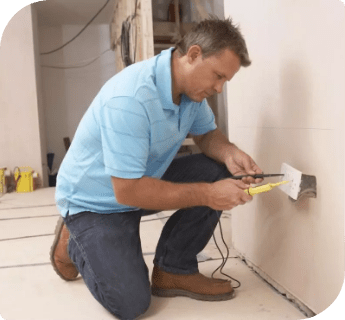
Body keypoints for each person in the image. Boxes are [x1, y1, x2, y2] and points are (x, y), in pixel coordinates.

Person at [51, 16, 263, 320]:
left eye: (225, 81)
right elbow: (128, 191)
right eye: (217, 76)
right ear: (193, 55)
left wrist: (230, 153)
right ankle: (73, 238)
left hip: (140, 182)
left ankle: (174, 270)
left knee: (218, 169)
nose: (218, 88)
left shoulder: (190, 92)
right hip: (97, 202)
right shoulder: (130, 98)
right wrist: (207, 195)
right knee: (130, 304)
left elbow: (205, 135)